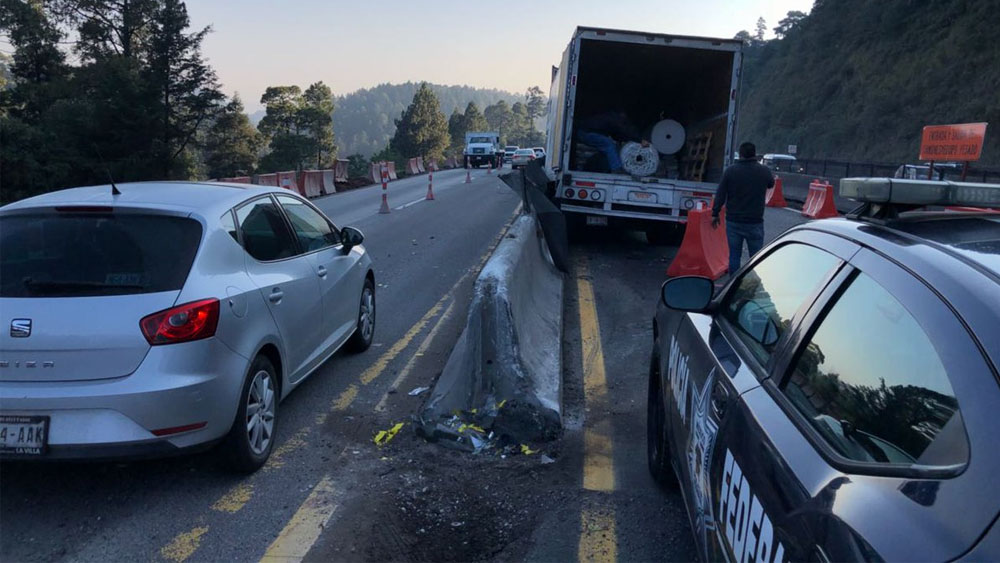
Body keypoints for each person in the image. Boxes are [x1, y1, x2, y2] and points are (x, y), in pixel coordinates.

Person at [711, 142, 774, 275]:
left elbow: (721, 193)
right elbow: (771, 184)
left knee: (734, 256)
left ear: (740, 154)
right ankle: (753, 283)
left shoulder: (731, 171)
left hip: (734, 221)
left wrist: (715, 213)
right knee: (756, 257)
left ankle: (732, 285)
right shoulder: (763, 171)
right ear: (755, 154)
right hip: (755, 221)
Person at [575, 110, 650, 173]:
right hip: (586, 133)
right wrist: (640, 140)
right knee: (609, 145)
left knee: (608, 146)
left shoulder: (610, 118)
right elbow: (624, 131)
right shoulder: (614, 119)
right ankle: (616, 169)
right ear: (622, 115)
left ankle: (607, 167)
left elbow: (617, 135)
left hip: (586, 132)